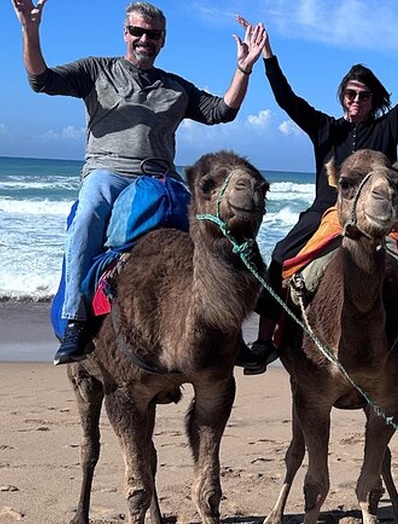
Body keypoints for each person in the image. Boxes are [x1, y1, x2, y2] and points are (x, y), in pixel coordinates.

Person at [12, 0, 267, 365]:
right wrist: (29, 30)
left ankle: (228, 331)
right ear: (125, 34)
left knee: (216, 227)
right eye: (137, 32)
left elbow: (221, 111)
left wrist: (243, 68)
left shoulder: (176, 87)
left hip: (161, 178)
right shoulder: (96, 71)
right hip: (108, 174)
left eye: (153, 34)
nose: (144, 39)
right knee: (86, 218)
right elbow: (41, 80)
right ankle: (76, 322)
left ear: (163, 41)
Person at [236, 15, 398, 377]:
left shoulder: (387, 127)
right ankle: (266, 340)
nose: (356, 100)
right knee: (280, 256)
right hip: (329, 213)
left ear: (373, 100)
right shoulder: (324, 128)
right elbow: (287, 100)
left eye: (364, 95)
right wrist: (268, 58)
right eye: (351, 94)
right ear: (342, 96)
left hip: (382, 216)